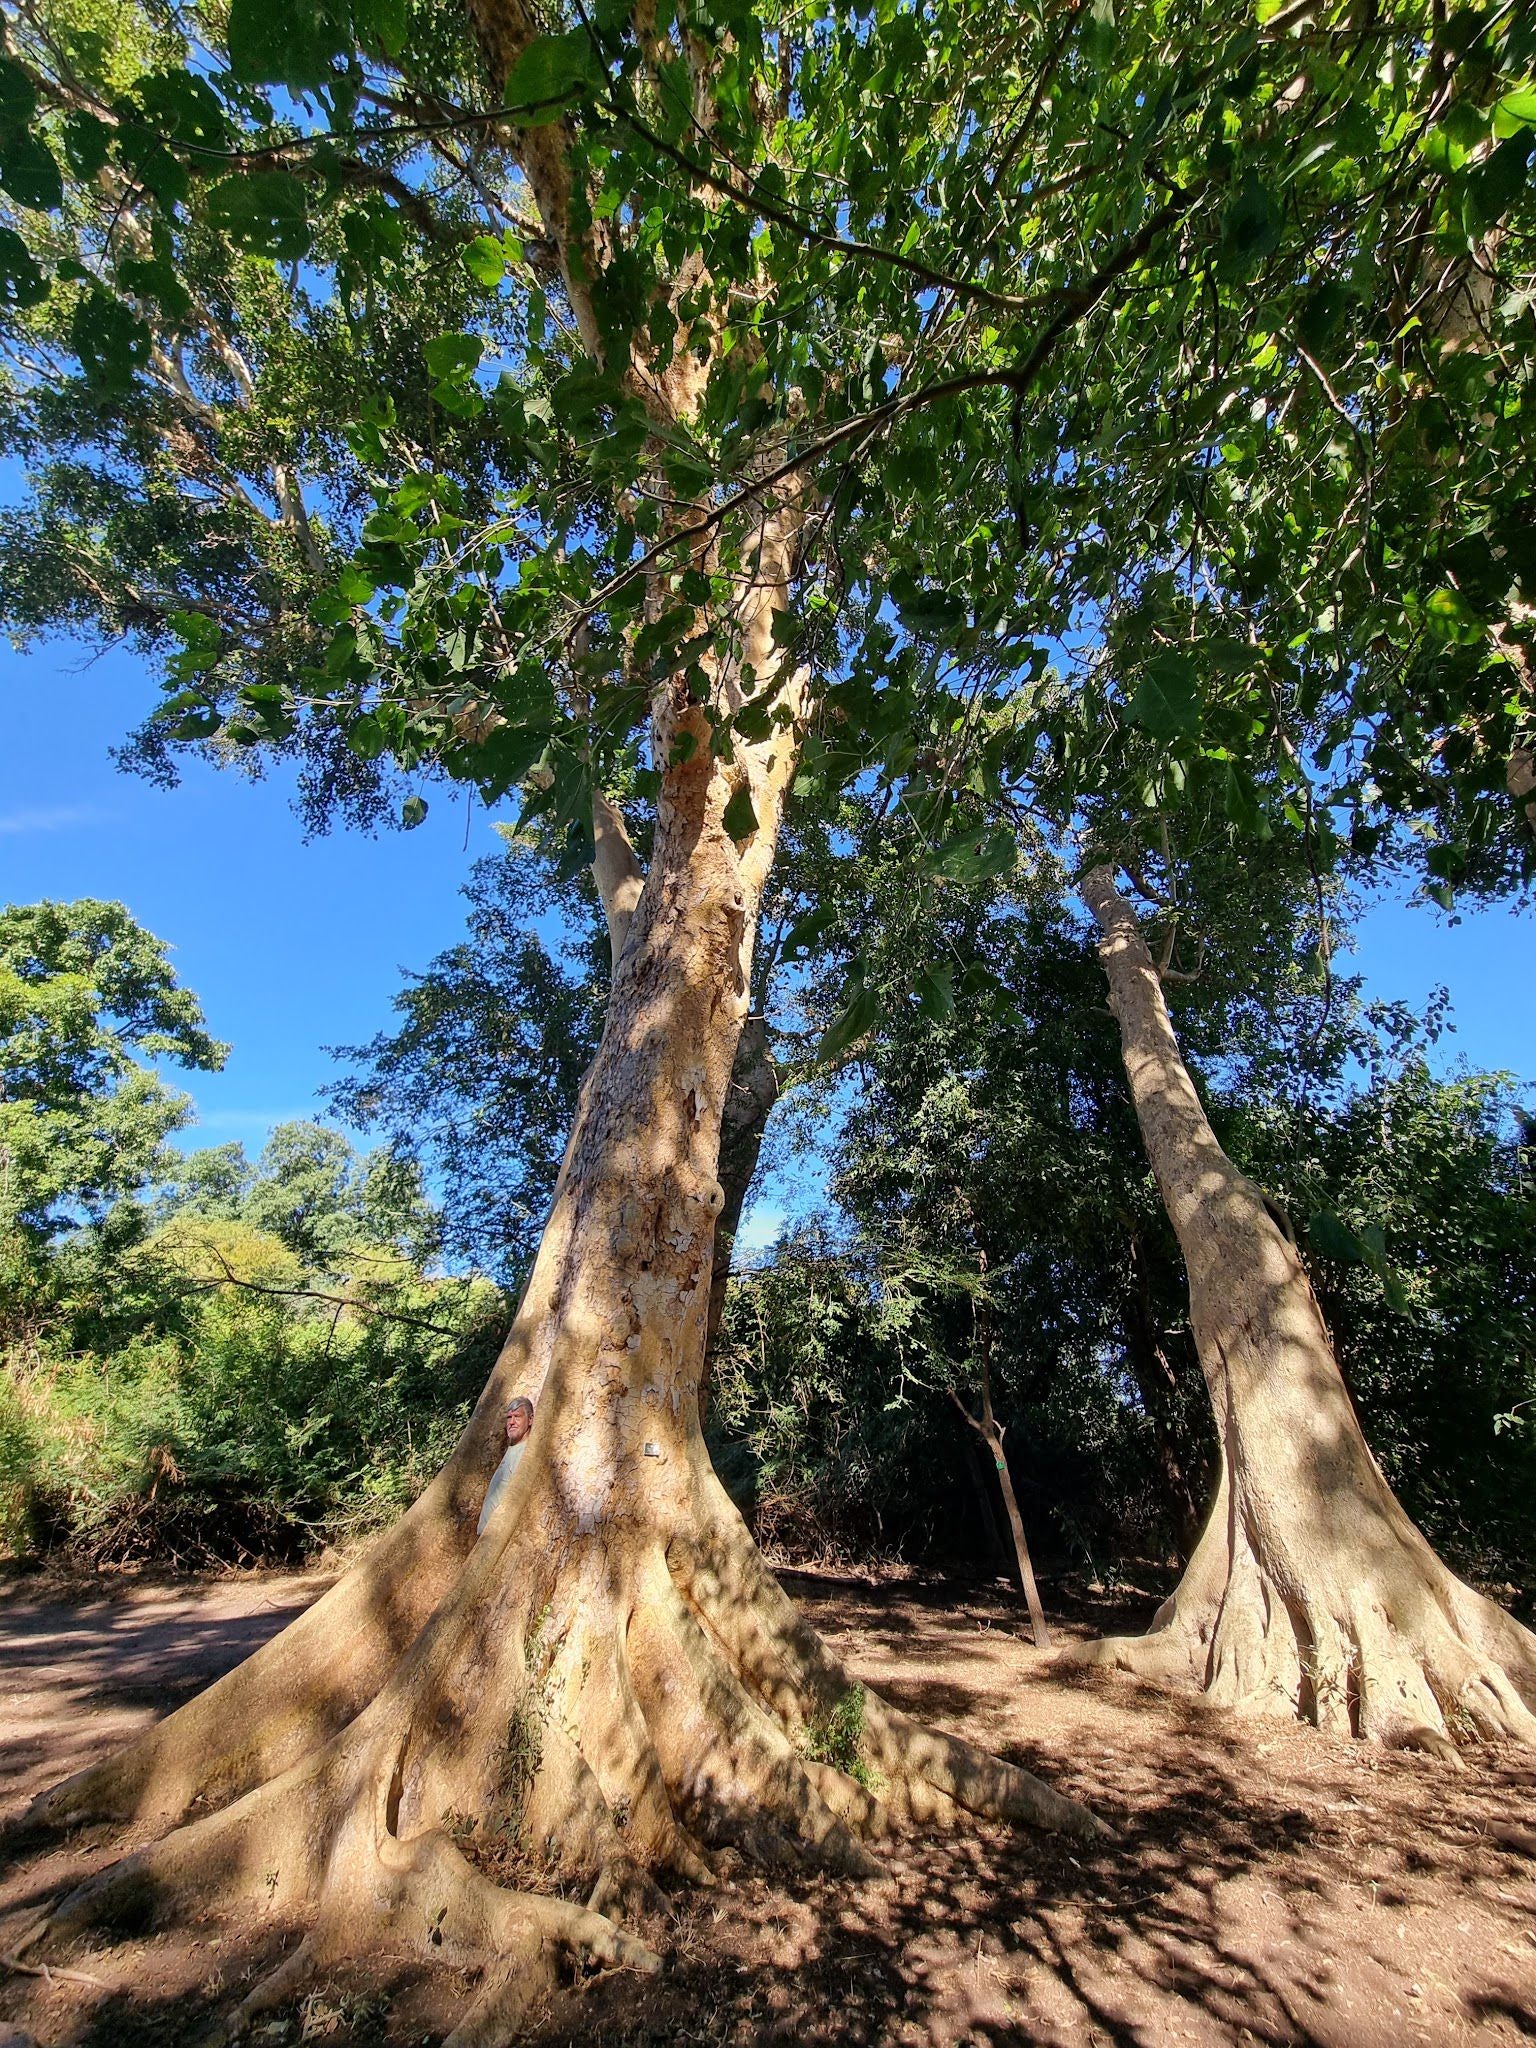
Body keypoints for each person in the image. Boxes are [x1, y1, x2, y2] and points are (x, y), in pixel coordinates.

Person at [477, 1396, 534, 1537]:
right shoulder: (512, 1449)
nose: (512, 1422)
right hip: (486, 1537)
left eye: (517, 1417)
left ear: (530, 1420)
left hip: (496, 1536)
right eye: (509, 1417)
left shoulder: (525, 1453)